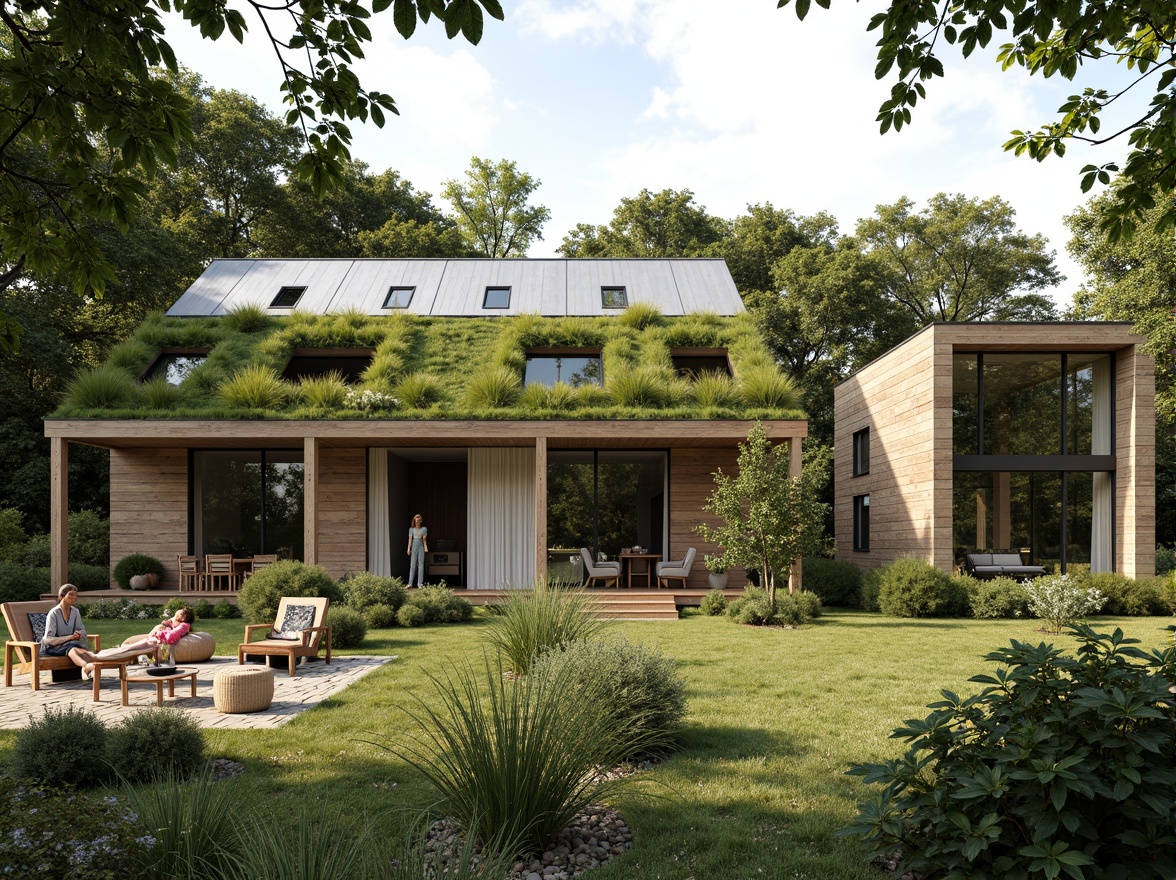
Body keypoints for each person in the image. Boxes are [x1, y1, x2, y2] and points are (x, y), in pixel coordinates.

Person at [41, 584, 102, 678]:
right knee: (73, 648)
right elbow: (48, 640)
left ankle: (95, 665)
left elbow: (81, 630)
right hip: (54, 648)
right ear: (62, 596)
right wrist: (70, 637)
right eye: (70, 594)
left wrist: (79, 634)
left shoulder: (75, 611)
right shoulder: (54, 613)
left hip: (71, 644)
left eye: (75, 595)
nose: (74, 598)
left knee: (79, 649)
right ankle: (86, 666)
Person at [115, 606, 194, 659]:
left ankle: (123, 650)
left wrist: (161, 631)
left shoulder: (184, 625)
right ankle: (125, 649)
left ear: (183, 617)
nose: (179, 610)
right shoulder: (174, 622)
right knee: (144, 642)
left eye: (181, 612)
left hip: (159, 640)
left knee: (146, 642)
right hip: (156, 637)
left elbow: (171, 636)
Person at [406, 513, 428, 587]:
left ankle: (420, 584)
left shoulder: (424, 529)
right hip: (414, 546)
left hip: (420, 546)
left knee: (421, 565)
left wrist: (425, 547)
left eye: (419, 520)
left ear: (421, 521)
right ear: (414, 521)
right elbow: (410, 539)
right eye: (416, 520)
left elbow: (424, 539)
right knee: (412, 565)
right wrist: (409, 548)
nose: (417, 522)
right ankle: (410, 583)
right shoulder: (411, 529)